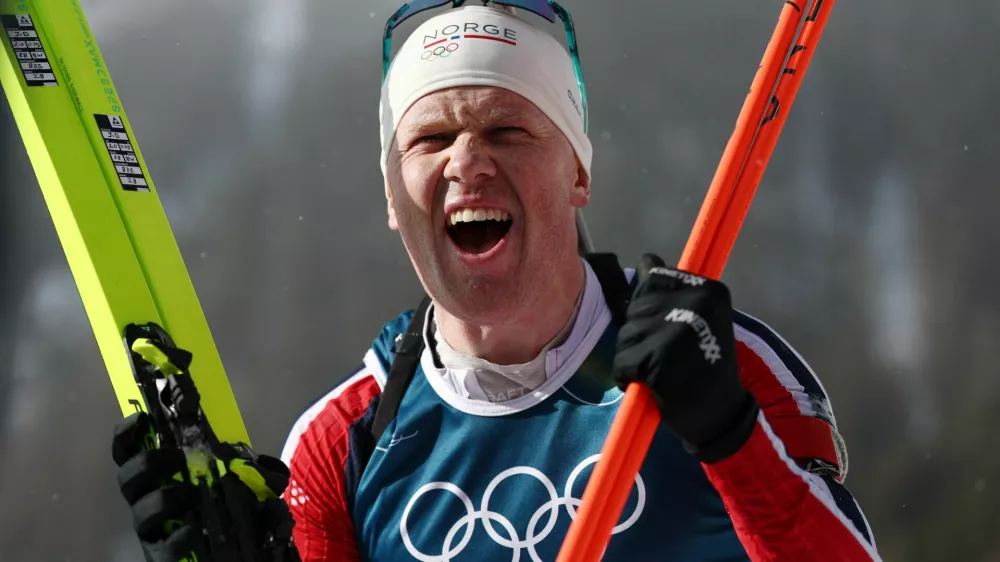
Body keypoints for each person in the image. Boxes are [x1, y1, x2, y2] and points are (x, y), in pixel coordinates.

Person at [112, 2, 881, 561]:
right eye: (431, 138)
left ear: (577, 171)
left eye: (508, 130)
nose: (467, 163)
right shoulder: (338, 445)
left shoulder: (716, 363)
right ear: (391, 195)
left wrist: (729, 436)